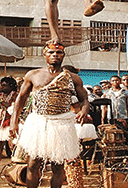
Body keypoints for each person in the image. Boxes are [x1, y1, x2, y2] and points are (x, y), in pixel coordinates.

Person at [10, 42, 89, 188]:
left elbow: (84, 99)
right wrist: (13, 121)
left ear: (63, 56)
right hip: (39, 122)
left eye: (58, 53)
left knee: (58, 166)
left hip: (61, 124)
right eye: (51, 53)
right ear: (44, 55)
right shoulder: (33, 75)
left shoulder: (73, 78)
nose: (55, 56)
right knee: (33, 163)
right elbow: (21, 98)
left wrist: (84, 110)